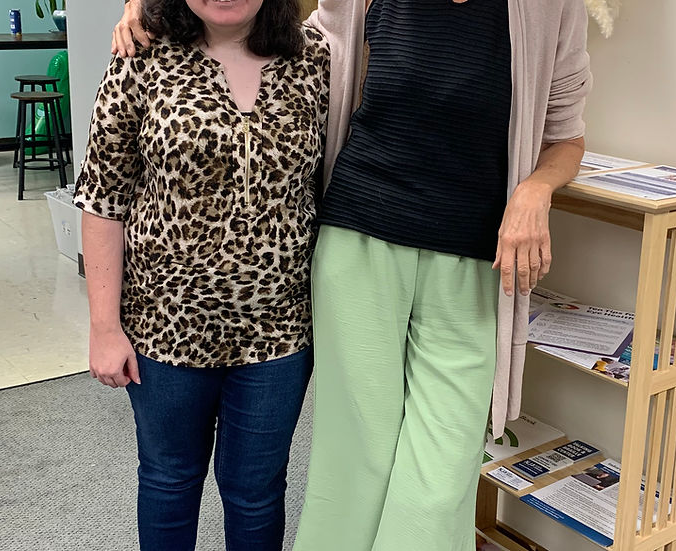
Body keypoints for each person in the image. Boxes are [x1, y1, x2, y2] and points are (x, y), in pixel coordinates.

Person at [112, 0, 592, 549]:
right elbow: (269, 36)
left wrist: (536, 189)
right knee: (355, 460)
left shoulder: (551, 8)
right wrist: (150, 8)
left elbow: (566, 135)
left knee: (441, 478)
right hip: (360, 244)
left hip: (474, 261)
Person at [79, 1, 328, 550]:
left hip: (278, 332)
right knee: (169, 480)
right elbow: (103, 198)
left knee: (257, 491)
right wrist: (103, 327)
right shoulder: (140, 56)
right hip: (164, 330)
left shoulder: (314, 59)